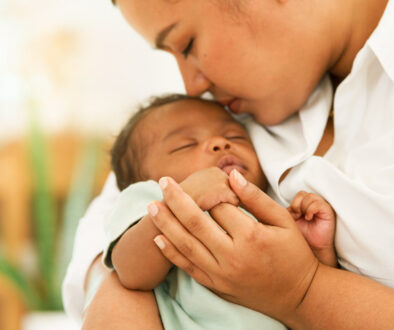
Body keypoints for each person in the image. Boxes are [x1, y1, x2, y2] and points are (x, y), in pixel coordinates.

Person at [63, 0, 394, 328]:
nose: (192, 86)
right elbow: (111, 232)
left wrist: (306, 290)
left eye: (187, 44)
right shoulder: (223, 106)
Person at [101, 94, 336, 329]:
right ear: (143, 178)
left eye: (235, 136)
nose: (220, 143)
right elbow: (131, 272)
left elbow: (314, 301)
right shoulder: (150, 197)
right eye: (186, 145)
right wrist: (180, 203)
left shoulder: (270, 209)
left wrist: (316, 250)